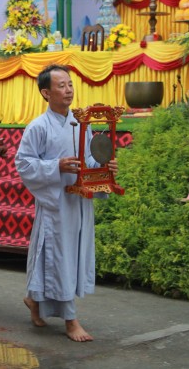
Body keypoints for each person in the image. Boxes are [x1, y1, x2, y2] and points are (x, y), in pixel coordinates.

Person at [15, 64, 118, 342]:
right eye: (61, 86)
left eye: (70, 84)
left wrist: (104, 167)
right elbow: (23, 164)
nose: (68, 90)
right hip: (55, 202)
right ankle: (71, 320)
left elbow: (89, 159)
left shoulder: (80, 123)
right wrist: (55, 166)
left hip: (79, 201)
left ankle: (34, 300)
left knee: (63, 255)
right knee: (59, 257)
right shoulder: (38, 126)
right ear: (46, 93)